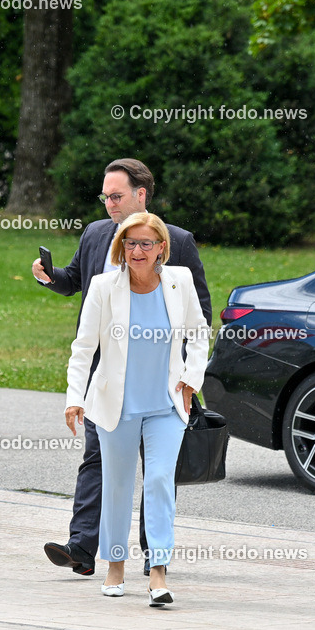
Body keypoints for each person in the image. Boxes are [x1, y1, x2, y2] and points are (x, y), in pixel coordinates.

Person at [33, 159, 211, 578]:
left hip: (159, 382)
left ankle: (154, 555)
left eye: (116, 196)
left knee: (157, 472)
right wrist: (49, 276)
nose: (109, 204)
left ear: (140, 195)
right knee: (97, 460)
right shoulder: (96, 233)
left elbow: (198, 313)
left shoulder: (177, 241)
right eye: (105, 197)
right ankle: (82, 548)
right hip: (106, 376)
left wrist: (189, 376)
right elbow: (75, 279)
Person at [65, 212, 208, 606]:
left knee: (159, 480)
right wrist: (75, 397)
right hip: (117, 406)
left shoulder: (179, 281)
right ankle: (115, 566)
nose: (137, 251)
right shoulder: (104, 286)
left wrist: (192, 378)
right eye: (130, 243)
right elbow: (84, 347)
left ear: (161, 247)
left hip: (166, 405)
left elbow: (199, 333)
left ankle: (158, 572)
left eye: (146, 243)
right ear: (121, 247)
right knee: (117, 485)